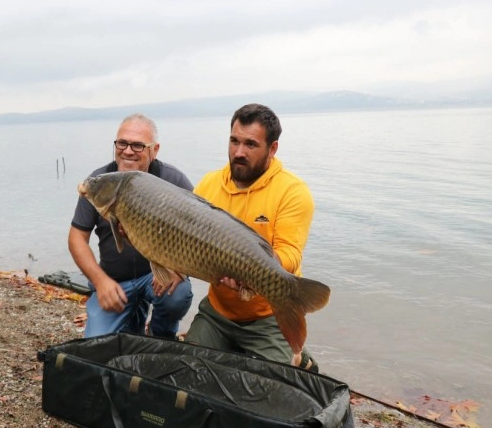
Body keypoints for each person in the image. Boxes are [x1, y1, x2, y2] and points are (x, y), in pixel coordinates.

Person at [184, 103, 318, 370]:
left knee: (271, 386)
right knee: (190, 371)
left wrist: (249, 270)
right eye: (234, 141)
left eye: (250, 144)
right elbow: (187, 240)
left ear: (273, 149)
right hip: (218, 311)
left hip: (266, 314)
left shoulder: (293, 191)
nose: (239, 152)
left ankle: (300, 358)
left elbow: (290, 255)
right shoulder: (209, 185)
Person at [68, 113, 194, 339]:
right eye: (122, 143)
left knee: (178, 295)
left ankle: (161, 335)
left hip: (155, 276)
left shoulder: (174, 182)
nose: (127, 151)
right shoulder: (99, 183)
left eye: (137, 145)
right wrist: (101, 281)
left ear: (155, 150)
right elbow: (77, 238)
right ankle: (133, 321)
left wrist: (180, 269)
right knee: (97, 344)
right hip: (114, 280)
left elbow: (199, 235)